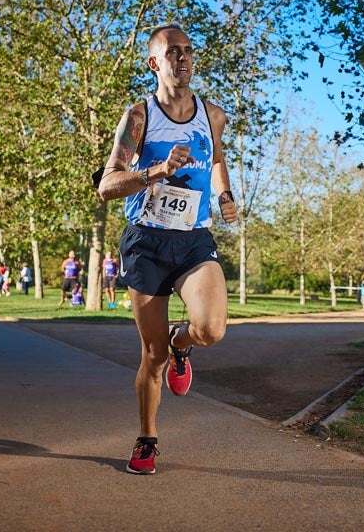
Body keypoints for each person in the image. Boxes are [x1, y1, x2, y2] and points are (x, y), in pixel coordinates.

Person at [97, 24, 238, 475]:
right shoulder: (139, 116)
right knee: (152, 356)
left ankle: (184, 341)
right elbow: (107, 185)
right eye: (172, 51)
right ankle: (147, 438)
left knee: (212, 330)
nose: (183, 57)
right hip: (147, 243)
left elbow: (217, 158)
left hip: (195, 239)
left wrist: (225, 195)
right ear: (154, 63)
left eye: (188, 51)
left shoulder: (212, 115)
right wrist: (155, 170)